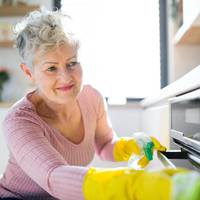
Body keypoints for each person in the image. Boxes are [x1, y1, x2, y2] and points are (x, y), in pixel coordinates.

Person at [0, 8, 200, 200]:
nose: (66, 77)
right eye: (51, 68)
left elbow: (104, 145)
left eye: (71, 63)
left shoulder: (91, 98)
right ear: (29, 73)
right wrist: (135, 185)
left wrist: (130, 146)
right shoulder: (19, 121)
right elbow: (54, 176)